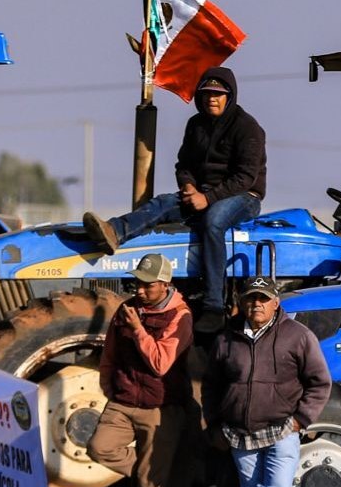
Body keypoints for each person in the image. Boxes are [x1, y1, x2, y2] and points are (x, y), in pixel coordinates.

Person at [82, 67, 264, 327]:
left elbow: (245, 176)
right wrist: (189, 186)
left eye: (218, 94)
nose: (212, 98)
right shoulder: (196, 125)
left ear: (229, 96)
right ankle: (114, 231)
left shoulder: (248, 128)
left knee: (213, 222)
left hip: (242, 196)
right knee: (163, 202)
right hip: (202, 193)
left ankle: (213, 305)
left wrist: (208, 198)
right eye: (207, 93)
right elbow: (184, 164)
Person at [203, 276, 332, 487]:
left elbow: (320, 382)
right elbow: (210, 387)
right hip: (239, 435)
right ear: (242, 302)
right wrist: (213, 426)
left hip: (282, 430)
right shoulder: (226, 339)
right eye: (250, 299)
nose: (256, 304)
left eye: (263, 299)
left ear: (276, 302)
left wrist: (300, 421)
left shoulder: (298, 336)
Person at [84, 253, 193, 487]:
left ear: (165, 284)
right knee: (98, 448)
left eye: (148, 285)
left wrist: (138, 330)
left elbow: (161, 363)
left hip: (160, 408)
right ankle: (157, 475)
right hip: (123, 400)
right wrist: (108, 384)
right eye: (138, 283)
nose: (140, 290)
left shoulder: (180, 316)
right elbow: (110, 352)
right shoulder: (127, 309)